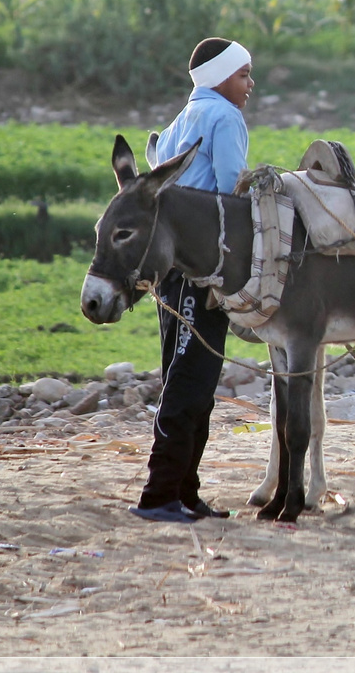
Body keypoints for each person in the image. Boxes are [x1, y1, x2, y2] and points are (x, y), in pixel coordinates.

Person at [131, 37, 254, 524]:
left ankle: (185, 490)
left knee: (188, 379)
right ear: (221, 78)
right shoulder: (225, 117)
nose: (250, 85)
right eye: (244, 75)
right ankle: (158, 495)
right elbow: (231, 193)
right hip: (200, 270)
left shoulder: (182, 118)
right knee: (190, 383)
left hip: (172, 270)